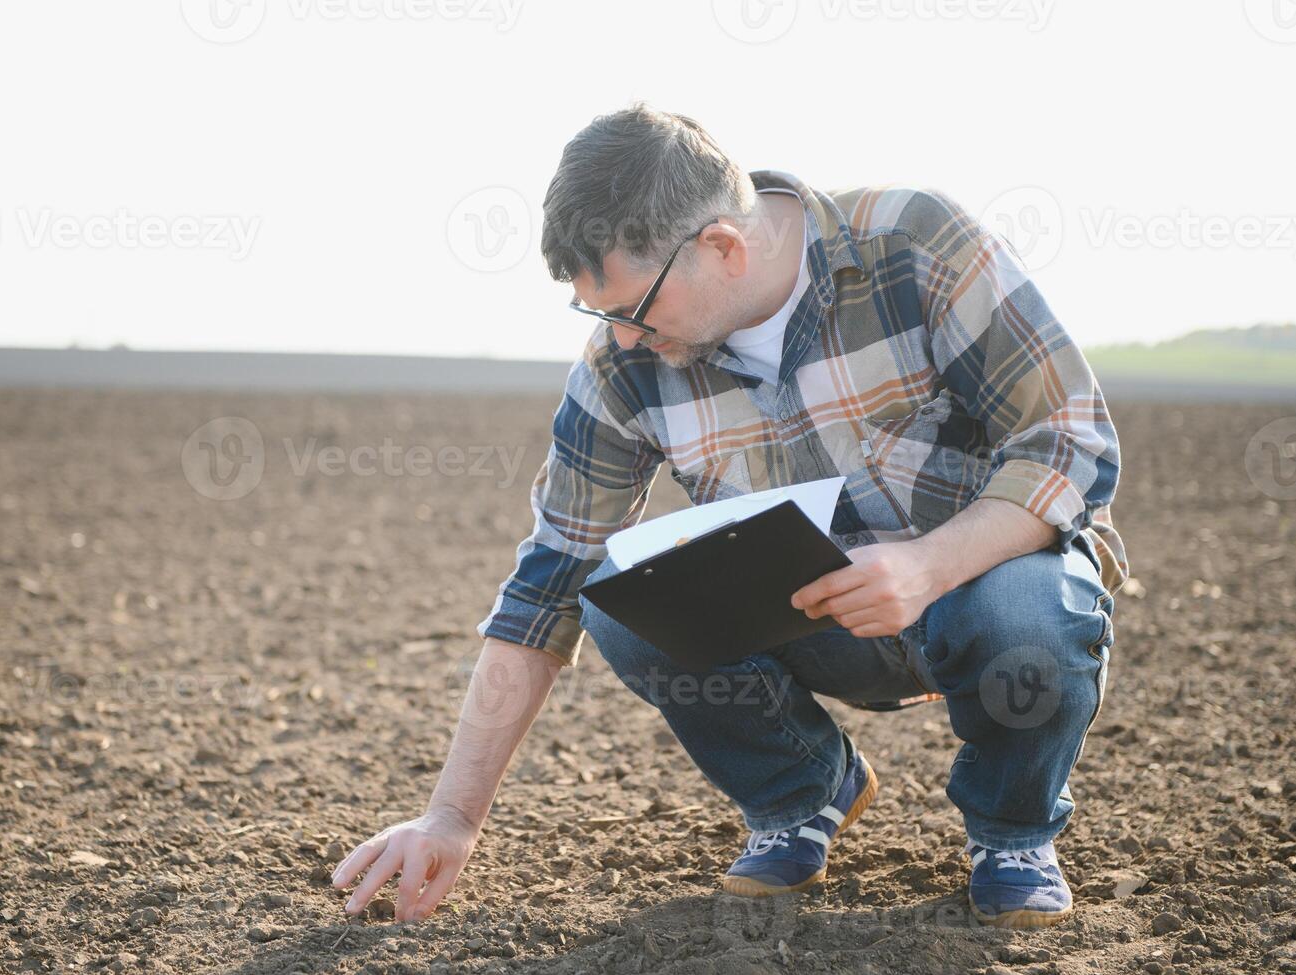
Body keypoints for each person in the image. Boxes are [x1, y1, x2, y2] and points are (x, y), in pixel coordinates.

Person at [333, 102, 1127, 929]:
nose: (625, 339)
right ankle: (803, 792)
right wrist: (451, 818)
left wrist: (929, 564)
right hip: (815, 623)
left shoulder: (910, 241)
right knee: (618, 592)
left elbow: (1069, 442)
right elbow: (548, 581)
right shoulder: (621, 364)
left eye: (635, 308)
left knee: (1027, 612)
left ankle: (1012, 834)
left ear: (721, 246)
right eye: (599, 315)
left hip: (983, 591)